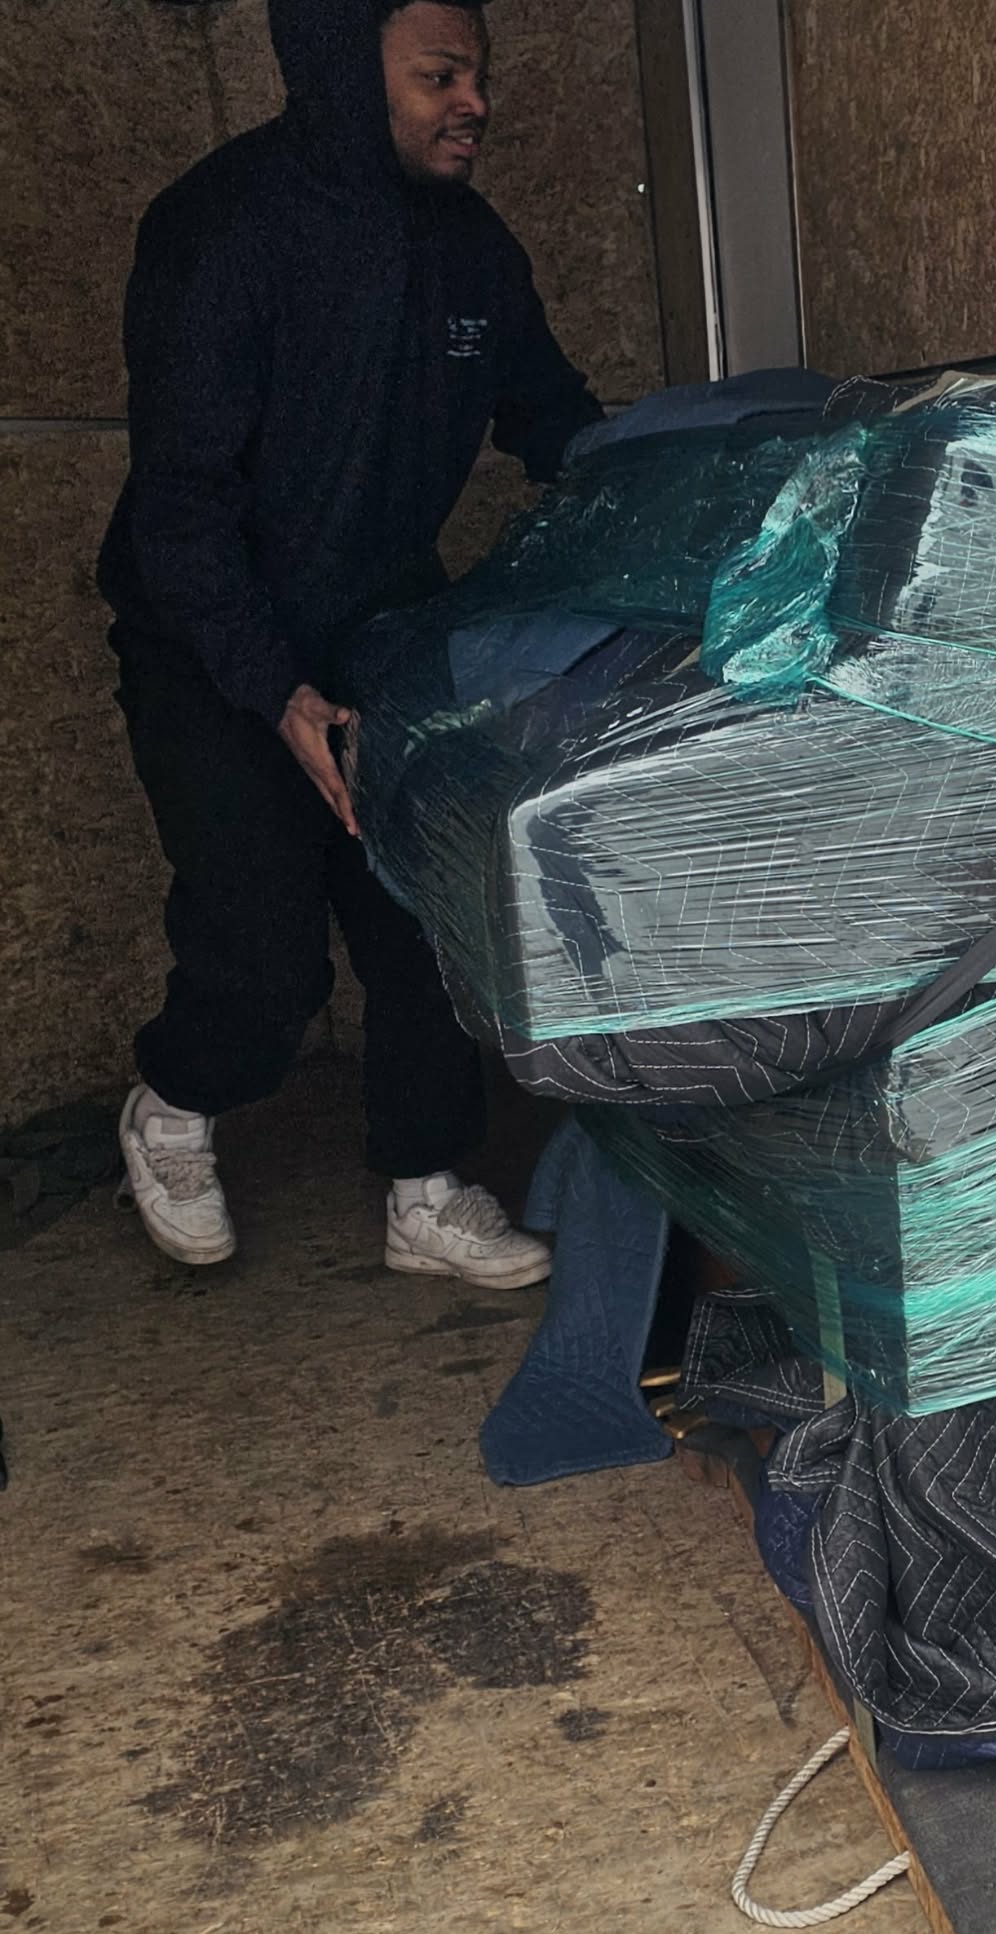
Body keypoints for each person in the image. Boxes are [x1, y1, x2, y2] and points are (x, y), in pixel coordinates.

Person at [99, 0, 603, 1283]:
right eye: (440, 75)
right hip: (210, 637)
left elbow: (553, 419)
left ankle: (426, 1188)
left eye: (477, 75)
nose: (474, 103)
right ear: (342, 76)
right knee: (263, 955)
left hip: (379, 631)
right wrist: (278, 692)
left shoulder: (474, 252)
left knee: (422, 920)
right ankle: (172, 1104)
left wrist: (678, 487)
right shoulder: (219, 230)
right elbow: (182, 510)